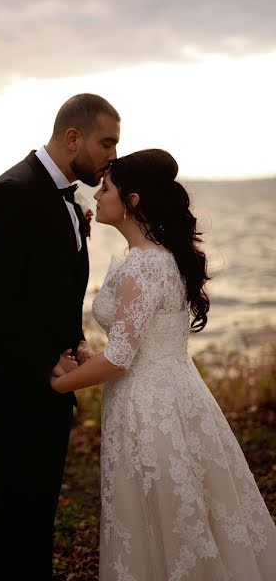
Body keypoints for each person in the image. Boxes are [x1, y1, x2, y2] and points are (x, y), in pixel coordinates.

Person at [50, 149, 276, 580]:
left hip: (150, 409)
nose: (96, 196)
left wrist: (58, 385)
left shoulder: (146, 266)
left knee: (165, 514)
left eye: (107, 189)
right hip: (173, 394)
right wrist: (84, 359)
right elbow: (138, 346)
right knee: (186, 508)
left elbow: (120, 358)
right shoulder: (158, 258)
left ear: (132, 201)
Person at [0, 93, 120, 580]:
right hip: (11, 384)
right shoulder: (12, 191)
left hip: (50, 381)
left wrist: (72, 346)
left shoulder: (65, 198)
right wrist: (47, 359)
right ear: (73, 137)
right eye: (106, 142)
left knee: (38, 512)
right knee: (14, 517)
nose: (112, 155)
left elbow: (50, 291)